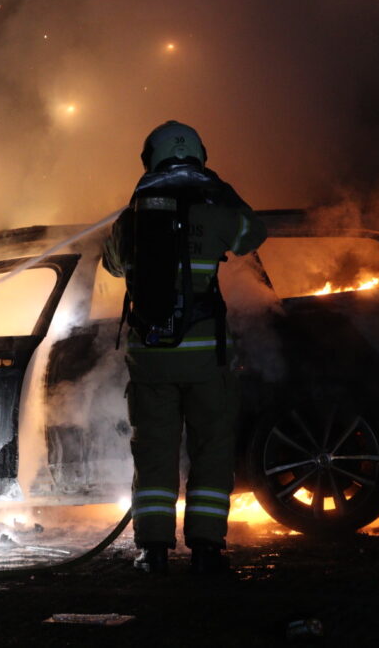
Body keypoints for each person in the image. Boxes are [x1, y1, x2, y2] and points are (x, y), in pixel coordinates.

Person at [103, 120, 266, 574]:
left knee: (154, 454)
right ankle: (207, 550)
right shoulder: (215, 211)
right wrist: (222, 191)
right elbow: (254, 233)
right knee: (212, 449)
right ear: (199, 157)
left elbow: (111, 264)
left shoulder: (135, 216)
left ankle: (152, 551)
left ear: (151, 159)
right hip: (205, 360)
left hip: (151, 358)